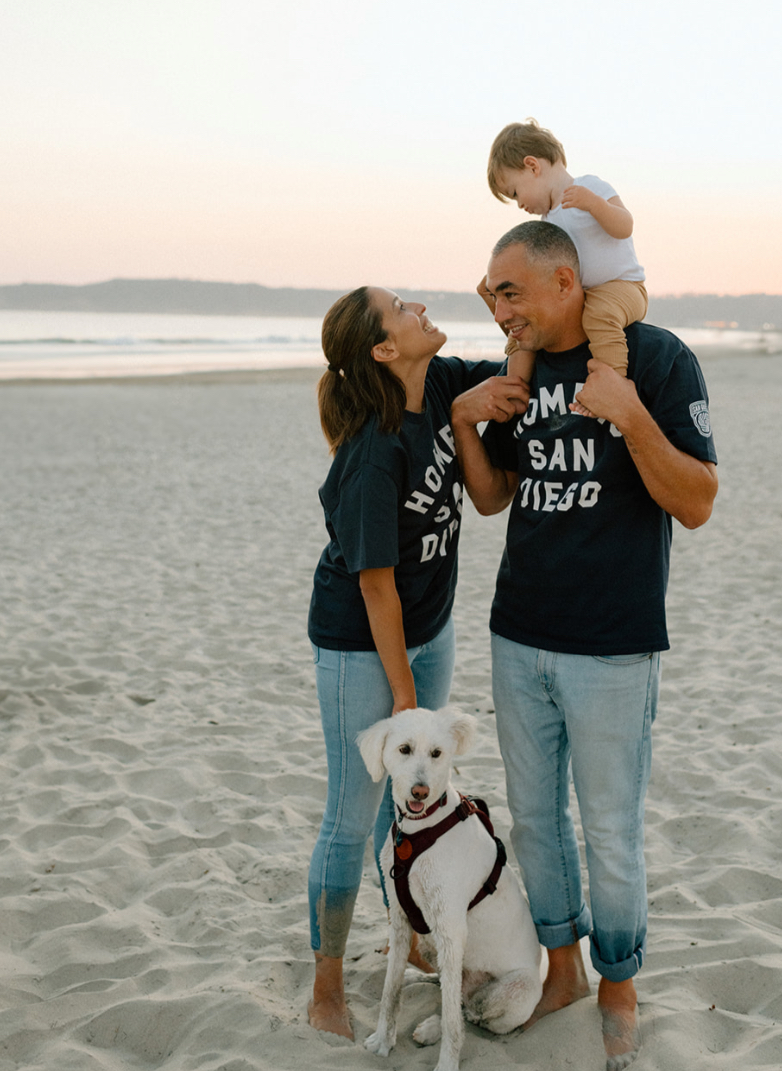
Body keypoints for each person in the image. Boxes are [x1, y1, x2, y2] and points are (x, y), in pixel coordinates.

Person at [451, 222, 717, 1070]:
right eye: (490, 292)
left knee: (609, 828)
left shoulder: (654, 359)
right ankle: (561, 970)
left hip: (611, 645)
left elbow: (698, 500)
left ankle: (618, 988)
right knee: (535, 824)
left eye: (509, 292)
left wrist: (631, 416)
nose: (498, 310)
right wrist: (465, 417)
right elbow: (491, 497)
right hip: (517, 634)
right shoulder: (517, 376)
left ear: (565, 282)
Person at [306, 286, 510, 1041]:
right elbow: (373, 583)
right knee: (350, 812)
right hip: (359, 641)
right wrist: (403, 696)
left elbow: (518, 368)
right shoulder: (371, 453)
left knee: (413, 801)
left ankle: (412, 933)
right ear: (384, 351)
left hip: (430, 627)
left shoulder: (446, 383)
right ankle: (327, 987)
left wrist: (520, 307)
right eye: (400, 307)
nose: (418, 303)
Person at [481, 117, 647, 380]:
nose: (520, 204)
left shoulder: (589, 187)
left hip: (621, 286)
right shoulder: (549, 219)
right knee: (529, 323)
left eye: (515, 193)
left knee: (599, 318)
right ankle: (515, 385)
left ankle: (613, 383)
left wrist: (595, 205)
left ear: (532, 166)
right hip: (581, 294)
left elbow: (625, 226)